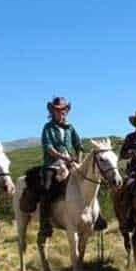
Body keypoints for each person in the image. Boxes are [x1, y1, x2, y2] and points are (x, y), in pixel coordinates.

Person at [39, 97, 83, 237]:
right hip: (52, 164)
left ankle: (95, 217)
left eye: (63, 110)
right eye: (57, 110)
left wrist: (79, 161)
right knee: (46, 189)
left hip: (70, 163)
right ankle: (45, 224)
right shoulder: (48, 128)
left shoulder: (70, 128)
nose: (60, 112)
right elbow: (48, 148)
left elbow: (79, 146)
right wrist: (63, 157)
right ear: (52, 111)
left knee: (88, 184)